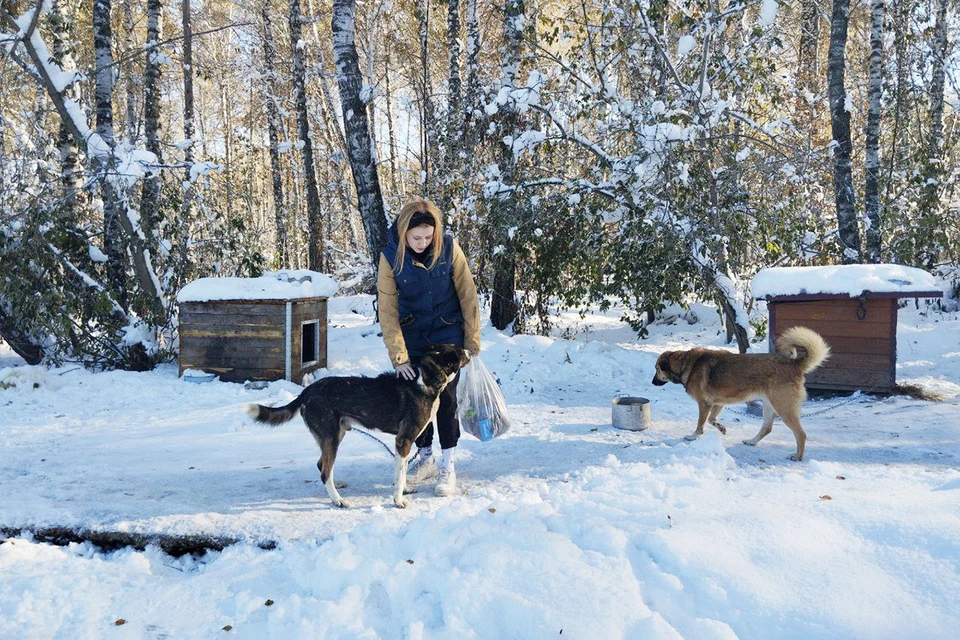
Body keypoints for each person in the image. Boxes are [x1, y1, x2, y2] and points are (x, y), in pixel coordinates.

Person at [377, 198, 481, 496]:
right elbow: (387, 309)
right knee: (414, 402)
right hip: (413, 340)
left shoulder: (449, 248)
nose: (423, 243)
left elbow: (467, 294)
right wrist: (399, 357)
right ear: (403, 233)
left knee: (446, 400)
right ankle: (425, 459)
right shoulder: (390, 256)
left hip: (449, 338)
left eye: (428, 237)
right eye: (416, 237)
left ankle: (448, 465)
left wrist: (472, 341)